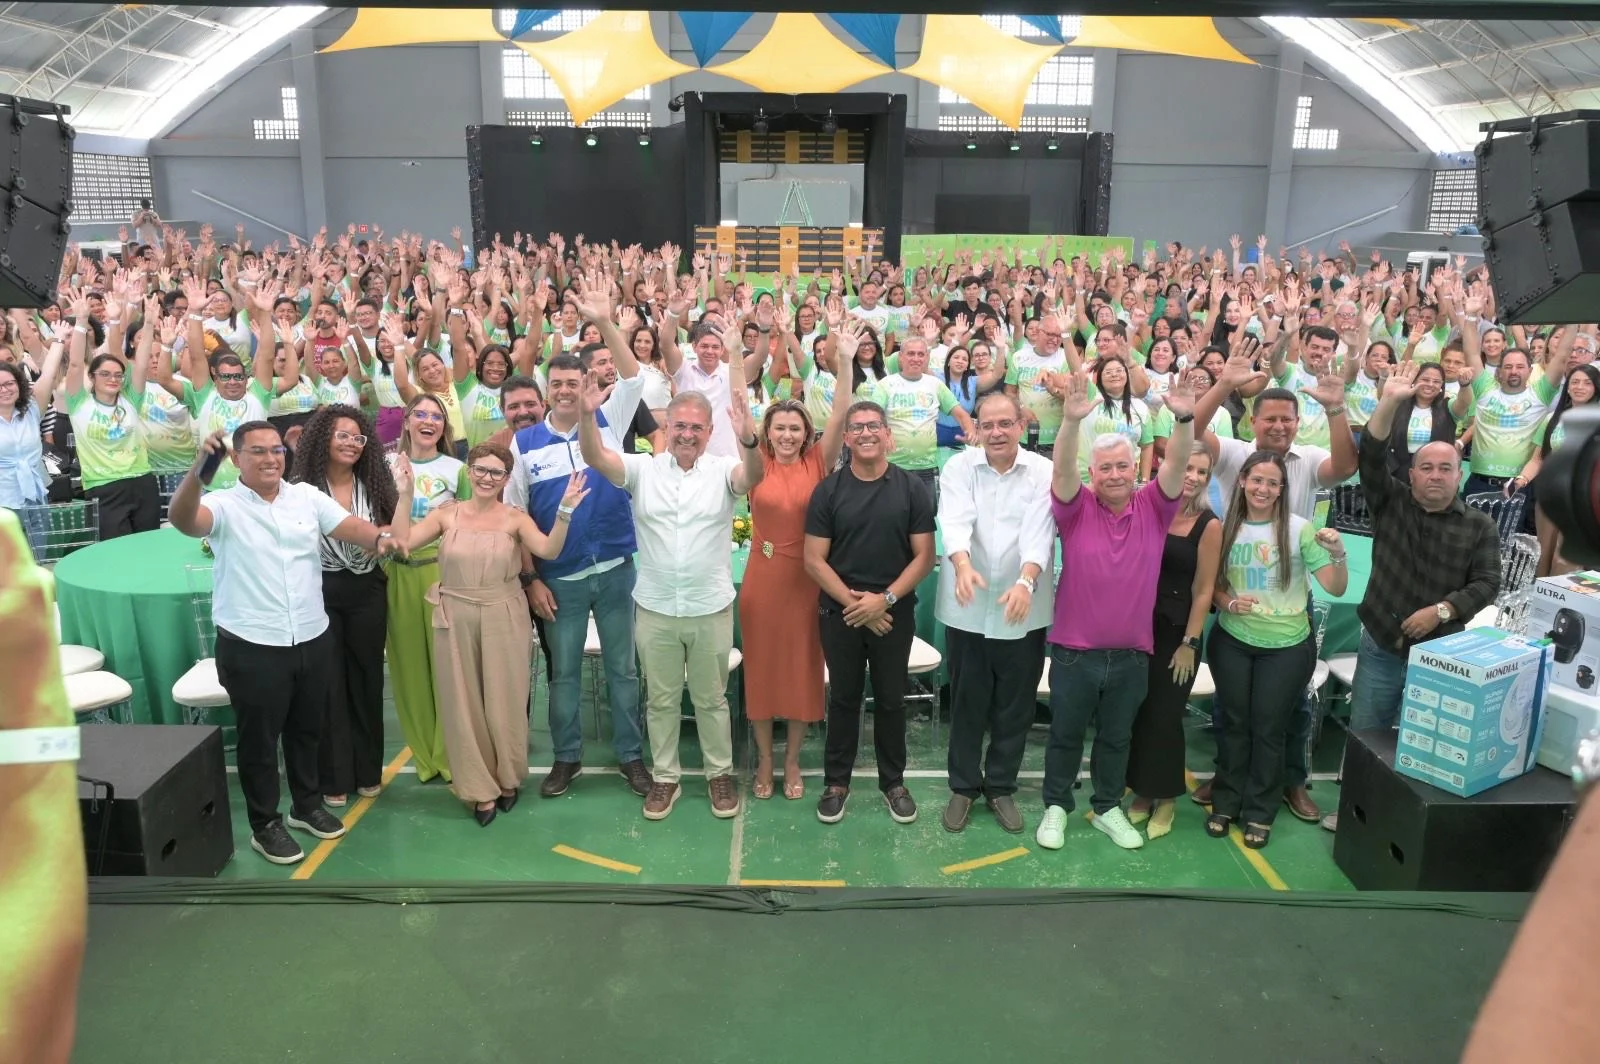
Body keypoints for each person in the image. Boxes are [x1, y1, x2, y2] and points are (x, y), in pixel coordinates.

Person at [168, 423, 399, 864]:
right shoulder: (222, 505)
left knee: (307, 731)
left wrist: (382, 539)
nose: (271, 459)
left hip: (311, 635)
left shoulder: (306, 497)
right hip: (252, 643)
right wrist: (198, 473)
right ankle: (265, 825)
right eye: (258, 451)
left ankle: (306, 806)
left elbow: (350, 526)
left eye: (276, 450)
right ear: (235, 458)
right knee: (259, 741)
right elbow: (184, 520)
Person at [1319, 363, 1502, 830]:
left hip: (1440, 656)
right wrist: (1389, 401)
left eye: (1445, 468)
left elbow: (1488, 583)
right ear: (1413, 474)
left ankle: (1400, 822)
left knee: (1425, 742)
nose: (1435, 475)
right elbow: (1371, 455)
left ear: (1460, 475)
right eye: (1426, 467)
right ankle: (1354, 813)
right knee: (1367, 733)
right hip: (1381, 643)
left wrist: (1442, 610)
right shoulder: (1391, 501)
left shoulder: (1479, 526)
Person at [577, 383, 764, 820]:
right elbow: (595, 456)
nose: (687, 434)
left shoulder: (724, 469)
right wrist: (587, 416)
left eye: (697, 428)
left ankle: (719, 774)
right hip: (656, 607)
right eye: (680, 425)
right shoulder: (642, 469)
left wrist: (749, 437)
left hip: (709, 607)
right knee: (660, 700)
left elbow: (753, 477)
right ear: (667, 426)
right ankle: (666, 778)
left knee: (711, 699)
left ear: (710, 431)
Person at [1188, 347, 1355, 820]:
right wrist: (1224, 383)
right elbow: (1192, 432)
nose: (1279, 427)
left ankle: (1290, 782)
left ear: (1298, 423)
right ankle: (1230, 776)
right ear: (1253, 422)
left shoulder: (1310, 457)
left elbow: (1346, 468)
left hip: (1290, 596)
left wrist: (1336, 409)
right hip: (1237, 593)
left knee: (1291, 705)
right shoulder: (1236, 454)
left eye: (1287, 419)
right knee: (1232, 706)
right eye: (1270, 420)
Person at [1035, 369, 1196, 852]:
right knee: (1065, 735)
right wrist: (1070, 423)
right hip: (1073, 653)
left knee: (1116, 738)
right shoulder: (1075, 508)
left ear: (1135, 469)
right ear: (1093, 473)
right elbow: (1062, 471)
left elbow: (1177, 462)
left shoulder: (1155, 508)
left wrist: (1183, 419)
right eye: (1104, 468)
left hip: (1131, 655)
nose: (1114, 475)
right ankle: (1056, 806)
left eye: (1122, 466)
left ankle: (1107, 807)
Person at [391, 443, 588, 825]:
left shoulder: (515, 519)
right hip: (455, 615)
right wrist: (405, 495)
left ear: (506, 479)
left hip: (505, 614)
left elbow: (548, 548)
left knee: (505, 699)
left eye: (496, 472)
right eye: (480, 469)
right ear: (469, 470)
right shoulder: (446, 514)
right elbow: (403, 543)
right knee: (462, 703)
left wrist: (564, 511)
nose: (487, 477)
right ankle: (480, 788)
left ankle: (508, 777)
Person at [505, 348, 652, 801]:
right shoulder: (524, 444)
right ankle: (567, 757)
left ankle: (631, 755)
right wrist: (531, 579)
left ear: (587, 383)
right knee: (563, 675)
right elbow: (516, 517)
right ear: (546, 390)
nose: (566, 391)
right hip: (559, 580)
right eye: (558, 384)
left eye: (574, 382)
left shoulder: (609, 419)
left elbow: (634, 378)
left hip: (615, 571)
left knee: (623, 670)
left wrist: (606, 322)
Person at [1205, 450, 1348, 849]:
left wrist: (1338, 552)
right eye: (1257, 480)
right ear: (1242, 481)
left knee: (1268, 729)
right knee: (1234, 724)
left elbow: (1335, 587)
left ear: (1282, 489)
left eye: (1273, 483)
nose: (1263, 489)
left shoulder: (1300, 530)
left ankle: (1259, 811)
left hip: (1286, 648)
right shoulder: (1224, 528)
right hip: (1232, 643)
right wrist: (1228, 603)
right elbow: (1212, 586)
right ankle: (1225, 802)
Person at [804, 400, 937, 826]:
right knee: (843, 698)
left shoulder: (912, 488)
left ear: (888, 435)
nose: (866, 433)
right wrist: (859, 605)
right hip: (841, 614)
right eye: (857, 427)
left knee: (892, 699)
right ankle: (836, 784)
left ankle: (893, 783)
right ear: (845, 438)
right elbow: (813, 560)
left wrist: (886, 601)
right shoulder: (828, 491)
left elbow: (924, 556)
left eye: (874, 425)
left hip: (892, 614)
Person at [935, 391, 1054, 835]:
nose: (997, 432)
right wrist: (962, 565)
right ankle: (963, 787)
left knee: (1016, 705)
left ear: (1021, 426)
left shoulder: (1042, 471)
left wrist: (1026, 580)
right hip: (968, 605)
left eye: (1006, 424)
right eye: (988, 425)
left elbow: (1039, 530)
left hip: (1024, 605)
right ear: (977, 429)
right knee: (967, 701)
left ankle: (1001, 786)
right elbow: (955, 520)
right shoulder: (959, 467)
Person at [740, 329, 851, 800]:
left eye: (795, 428)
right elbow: (739, 407)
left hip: (807, 580)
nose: (787, 435)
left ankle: (792, 761)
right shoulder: (755, 462)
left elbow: (841, 413)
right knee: (762, 669)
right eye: (779, 428)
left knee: (804, 670)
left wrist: (845, 361)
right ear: (767, 431)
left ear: (807, 433)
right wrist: (738, 354)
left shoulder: (817, 463)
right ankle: (766, 759)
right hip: (762, 579)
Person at [289, 404, 398, 807]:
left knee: (367, 679)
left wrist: (386, 530)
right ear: (323, 439)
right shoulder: (301, 490)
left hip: (368, 590)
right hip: (319, 590)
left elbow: (396, 529)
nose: (352, 443)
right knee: (328, 684)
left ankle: (368, 771)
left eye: (359, 437)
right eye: (343, 436)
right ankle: (333, 777)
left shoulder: (375, 484)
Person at [1126, 442, 1221, 840]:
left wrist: (1190, 643)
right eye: (1187, 468)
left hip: (1178, 634)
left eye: (1202, 472)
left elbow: (1204, 590)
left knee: (1164, 716)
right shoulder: (1150, 510)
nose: (1193, 477)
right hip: (1138, 627)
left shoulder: (1209, 525)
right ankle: (1142, 789)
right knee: (1140, 711)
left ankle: (1165, 798)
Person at [386, 392, 470, 785]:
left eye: (436, 416)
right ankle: (424, 754)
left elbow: (470, 526)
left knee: (447, 668)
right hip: (398, 574)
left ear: (444, 426)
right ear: (406, 421)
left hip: (441, 574)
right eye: (420, 414)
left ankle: (450, 752)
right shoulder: (383, 466)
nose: (428, 421)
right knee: (409, 668)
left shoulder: (457, 470)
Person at [62, 294, 160, 540]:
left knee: (148, 547)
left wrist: (149, 324)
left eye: (118, 375)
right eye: (105, 374)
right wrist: (81, 321)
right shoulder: (78, 403)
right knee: (116, 551)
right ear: (92, 377)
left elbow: (141, 364)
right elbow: (75, 364)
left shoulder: (131, 399)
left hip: (141, 481)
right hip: (103, 486)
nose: (113, 379)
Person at [1518, 360, 1599, 576]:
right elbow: (1538, 459)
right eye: (1575, 382)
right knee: (1542, 554)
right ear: (1567, 387)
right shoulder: (1552, 419)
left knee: (1566, 559)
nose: (1580, 387)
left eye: (1587, 383)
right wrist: (1521, 479)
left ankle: (1559, 597)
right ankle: (1537, 595)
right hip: (1550, 496)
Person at [870, 335, 976, 500]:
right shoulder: (885, 384)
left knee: (927, 514)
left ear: (927, 357)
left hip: (927, 467)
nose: (916, 358)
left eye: (921, 354)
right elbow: (872, 416)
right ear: (901, 357)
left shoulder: (935, 384)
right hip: (892, 465)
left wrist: (971, 433)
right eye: (911, 353)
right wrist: (884, 433)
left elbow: (962, 415)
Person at [0, 339, 63, 549]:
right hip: (3, 504)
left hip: (35, 498)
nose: (5, 390)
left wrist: (58, 341)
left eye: (9, 383)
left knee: (37, 557)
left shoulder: (32, 411)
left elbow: (48, 375)